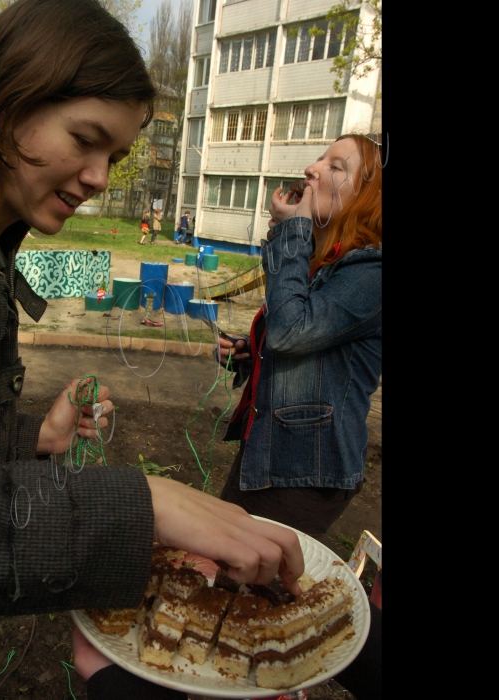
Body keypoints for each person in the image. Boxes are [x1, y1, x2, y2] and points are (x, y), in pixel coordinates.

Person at [0, 2, 305, 698]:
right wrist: (136, 506)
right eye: (86, 139)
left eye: (115, 156)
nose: (99, 178)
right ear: (8, 102)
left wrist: (33, 436)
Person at [216, 133, 382, 699]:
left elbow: (292, 330)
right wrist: (248, 350)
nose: (310, 169)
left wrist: (286, 230)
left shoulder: (374, 272)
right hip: (272, 453)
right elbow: (297, 344)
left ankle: (278, 682)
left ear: (369, 196)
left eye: (336, 166)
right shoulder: (328, 263)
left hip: (304, 471)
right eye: (319, 159)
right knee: (232, 578)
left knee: (257, 597)